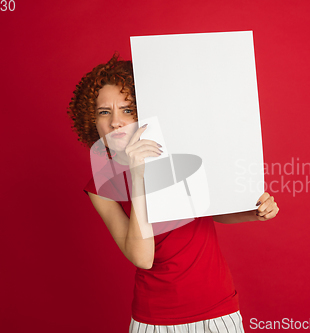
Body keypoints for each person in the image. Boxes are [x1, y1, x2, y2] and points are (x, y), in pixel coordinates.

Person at [67, 53, 279, 333]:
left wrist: (253, 212)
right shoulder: (101, 185)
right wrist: (139, 176)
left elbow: (207, 214)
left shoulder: (180, 154)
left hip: (219, 309)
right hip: (156, 320)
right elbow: (143, 258)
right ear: (91, 120)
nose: (116, 122)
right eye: (104, 112)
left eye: (128, 110)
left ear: (145, 113)